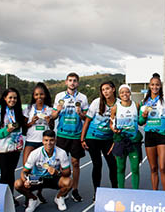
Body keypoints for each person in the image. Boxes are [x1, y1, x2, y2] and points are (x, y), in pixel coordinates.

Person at [51, 72, 89, 202]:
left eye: (74, 81)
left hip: (76, 135)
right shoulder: (59, 96)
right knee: (62, 164)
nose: (72, 83)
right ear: (66, 82)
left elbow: (86, 118)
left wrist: (80, 114)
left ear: (77, 83)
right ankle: (64, 188)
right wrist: (58, 110)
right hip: (62, 135)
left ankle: (75, 189)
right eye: (70, 80)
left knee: (75, 163)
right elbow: (54, 116)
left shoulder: (82, 97)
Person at [14, 130, 72, 212]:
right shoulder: (35, 153)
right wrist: (26, 180)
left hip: (54, 178)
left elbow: (68, 172)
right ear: (42, 141)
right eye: (46, 140)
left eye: (51, 140)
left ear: (55, 140)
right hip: (37, 178)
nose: (49, 143)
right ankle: (33, 199)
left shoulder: (61, 153)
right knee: (18, 184)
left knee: (68, 182)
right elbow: (24, 171)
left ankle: (59, 198)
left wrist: (57, 172)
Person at [0, 88, 26, 206]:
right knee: (5, 173)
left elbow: (22, 128)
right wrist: (6, 130)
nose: (12, 100)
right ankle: (0, 200)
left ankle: (10, 198)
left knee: (10, 173)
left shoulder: (18, 111)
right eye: (10, 97)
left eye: (15, 98)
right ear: (4, 98)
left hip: (15, 147)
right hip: (2, 148)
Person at [80, 81, 118, 198]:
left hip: (108, 138)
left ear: (113, 89)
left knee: (112, 164)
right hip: (93, 137)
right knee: (97, 165)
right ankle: (96, 193)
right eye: (103, 90)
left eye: (107, 89)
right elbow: (87, 120)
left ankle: (115, 191)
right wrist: (82, 139)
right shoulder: (97, 102)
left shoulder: (119, 103)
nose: (105, 91)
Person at [138, 73, 165, 191]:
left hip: (162, 136)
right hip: (149, 136)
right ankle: (155, 194)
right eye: (152, 85)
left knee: (162, 167)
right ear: (149, 86)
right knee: (153, 168)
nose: (155, 87)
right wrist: (143, 115)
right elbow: (141, 122)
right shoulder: (144, 102)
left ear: (160, 86)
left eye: (157, 85)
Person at [23, 83, 54, 203]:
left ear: (45, 95)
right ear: (33, 96)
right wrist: (31, 122)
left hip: (44, 143)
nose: (39, 96)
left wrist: (49, 120)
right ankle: (28, 195)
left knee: (41, 169)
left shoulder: (49, 109)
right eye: (36, 94)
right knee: (27, 168)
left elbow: (52, 128)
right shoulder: (29, 109)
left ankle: (39, 193)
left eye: (41, 94)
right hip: (31, 141)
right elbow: (24, 127)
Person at [110, 84, 143, 189]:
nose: (125, 94)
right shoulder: (115, 107)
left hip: (133, 141)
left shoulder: (136, 105)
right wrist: (114, 129)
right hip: (120, 140)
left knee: (135, 168)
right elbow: (111, 123)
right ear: (119, 94)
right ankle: (121, 191)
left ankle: (135, 191)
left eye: (127, 91)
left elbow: (141, 120)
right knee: (120, 168)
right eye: (122, 92)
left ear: (130, 93)